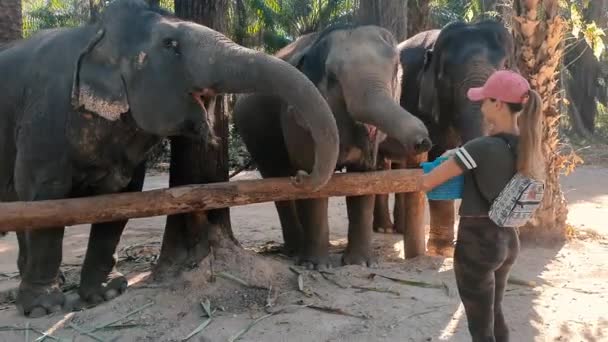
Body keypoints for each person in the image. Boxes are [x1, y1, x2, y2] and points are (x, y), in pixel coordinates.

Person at [420, 69, 544, 342]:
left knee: (479, 326)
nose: (481, 105)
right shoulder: (527, 145)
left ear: (498, 104)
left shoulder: (479, 147)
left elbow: (429, 182)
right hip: (508, 239)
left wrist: (444, 161)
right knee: (493, 312)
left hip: (477, 242)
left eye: (485, 100)